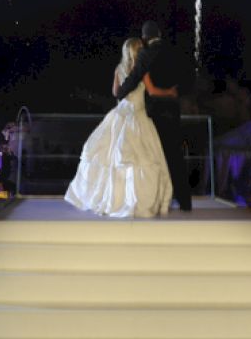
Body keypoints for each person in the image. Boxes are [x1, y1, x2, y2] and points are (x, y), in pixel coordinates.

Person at [64, 33, 175, 217]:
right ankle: (136, 200)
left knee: (113, 158)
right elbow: (153, 91)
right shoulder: (142, 70)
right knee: (140, 157)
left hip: (120, 115)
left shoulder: (119, 68)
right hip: (137, 116)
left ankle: (114, 199)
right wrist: (170, 92)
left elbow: (115, 92)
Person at [113, 20, 193, 212]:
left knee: (155, 157)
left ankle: (154, 198)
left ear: (145, 38)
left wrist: (120, 94)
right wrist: (176, 93)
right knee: (175, 154)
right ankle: (185, 201)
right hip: (173, 110)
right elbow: (186, 75)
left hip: (154, 112)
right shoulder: (174, 52)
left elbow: (134, 78)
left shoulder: (146, 54)